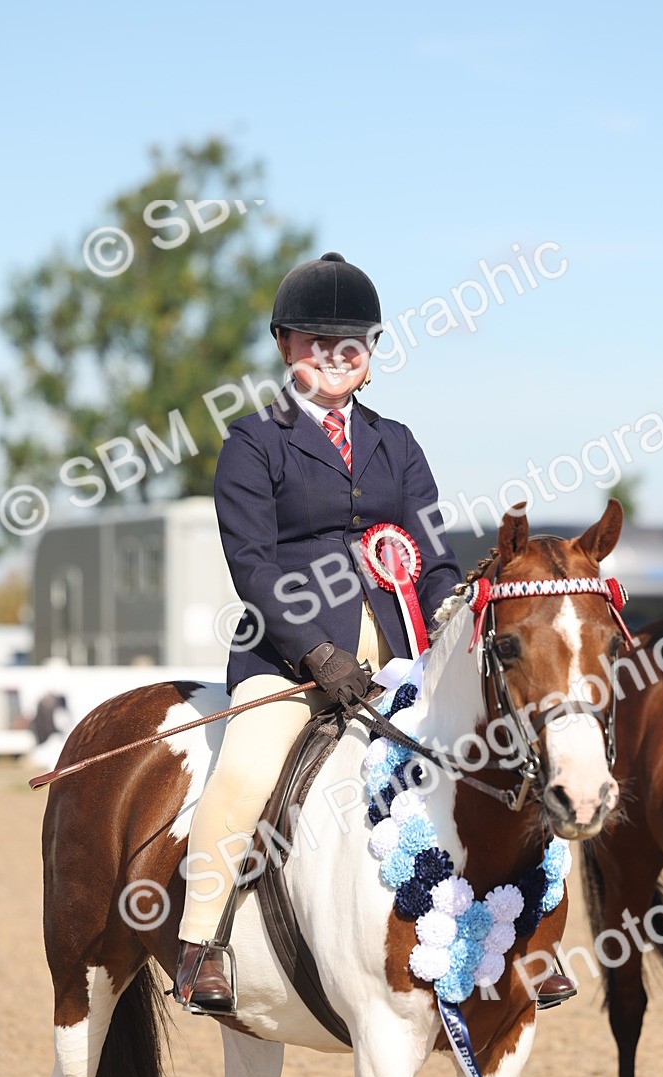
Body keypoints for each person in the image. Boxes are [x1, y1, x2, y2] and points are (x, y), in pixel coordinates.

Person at [175, 252, 464, 1010]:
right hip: (290, 659)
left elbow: (432, 555)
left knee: (492, 766)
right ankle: (201, 943)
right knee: (244, 772)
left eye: (351, 345)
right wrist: (316, 650)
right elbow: (254, 567)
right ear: (284, 347)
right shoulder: (252, 443)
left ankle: (515, 933)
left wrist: (450, 614)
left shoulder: (398, 443)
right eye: (314, 342)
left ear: (368, 356)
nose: (333, 358)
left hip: (402, 659)